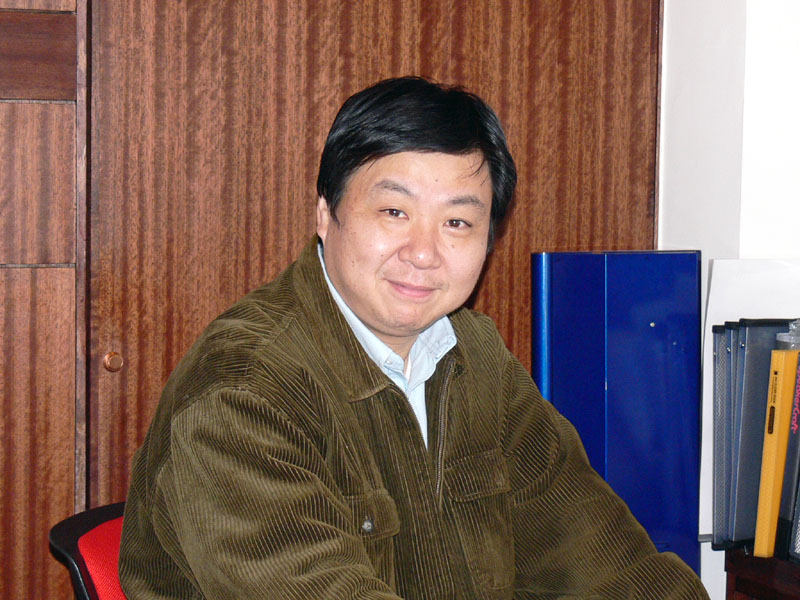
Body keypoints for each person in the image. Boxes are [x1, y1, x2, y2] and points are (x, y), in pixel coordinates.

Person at [119, 76, 708, 599]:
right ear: (325, 214)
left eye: (457, 222)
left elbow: (605, 560)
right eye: (394, 212)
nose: (424, 253)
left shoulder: (476, 358)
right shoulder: (244, 391)